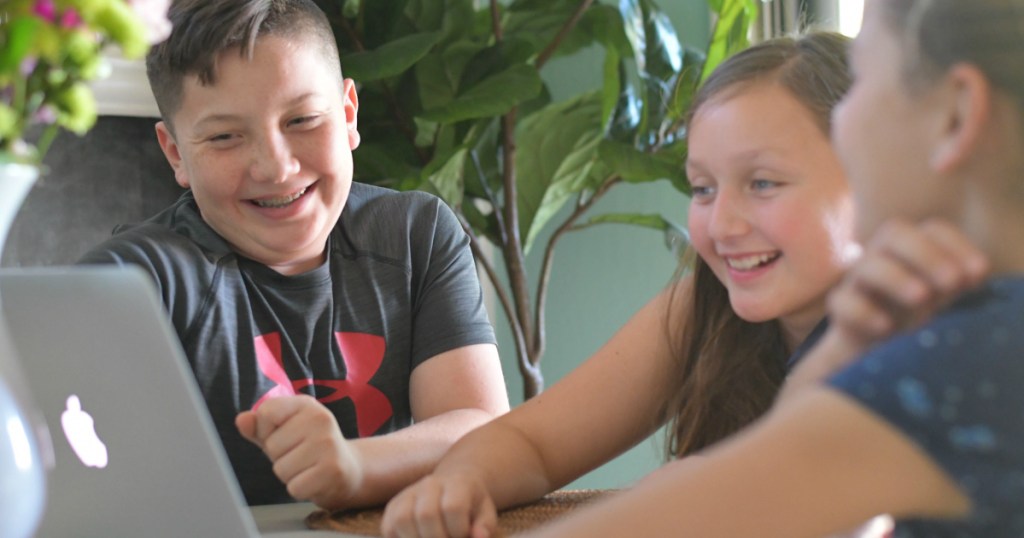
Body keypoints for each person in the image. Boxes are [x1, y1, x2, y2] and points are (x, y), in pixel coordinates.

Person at [388, 0, 1024, 535]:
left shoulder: (967, 352)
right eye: (702, 189)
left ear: (956, 115)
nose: (722, 224)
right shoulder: (960, 324)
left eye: (867, 78)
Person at [379, 31, 866, 538]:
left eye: (763, 183)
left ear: (875, 179)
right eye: (702, 188)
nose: (722, 225)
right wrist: (461, 481)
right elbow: (534, 442)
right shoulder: (703, 306)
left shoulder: (922, 335)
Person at [77, 0, 509, 509]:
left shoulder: (417, 234)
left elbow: (480, 428)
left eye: (302, 119)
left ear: (348, 114)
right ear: (176, 153)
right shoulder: (133, 282)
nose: (276, 169)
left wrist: (354, 466)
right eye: (224, 137)